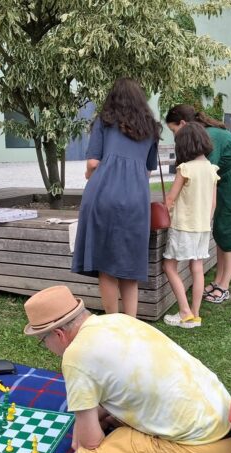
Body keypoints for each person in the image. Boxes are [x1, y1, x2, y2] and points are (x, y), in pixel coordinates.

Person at [23, 285, 231, 453]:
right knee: (109, 419)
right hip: (229, 420)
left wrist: (83, 428)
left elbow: (90, 442)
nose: (46, 347)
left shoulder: (75, 356)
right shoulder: (117, 320)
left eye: (43, 340)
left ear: (59, 334)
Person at [71, 78, 161, 318]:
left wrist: (89, 174)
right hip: (136, 199)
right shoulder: (152, 128)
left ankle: (112, 320)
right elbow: (147, 171)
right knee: (129, 268)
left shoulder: (104, 121)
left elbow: (93, 163)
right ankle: (130, 322)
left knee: (106, 266)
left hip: (104, 194)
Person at [165, 105, 231, 304]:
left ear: (183, 124)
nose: (174, 135)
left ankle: (224, 285)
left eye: (173, 130)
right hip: (227, 181)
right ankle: (218, 280)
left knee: (230, 232)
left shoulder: (208, 136)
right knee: (221, 230)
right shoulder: (203, 134)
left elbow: (200, 175)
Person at [162, 122, 219, 328]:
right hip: (203, 227)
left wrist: (165, 213)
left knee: (169, 266)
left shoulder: (185, 169)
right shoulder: (212, 169)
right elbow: (213, 203)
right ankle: (195, 314)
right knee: (197, 267)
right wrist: (206, 221)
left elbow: (170, 199)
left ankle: (184, 312)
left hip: (183, 226)